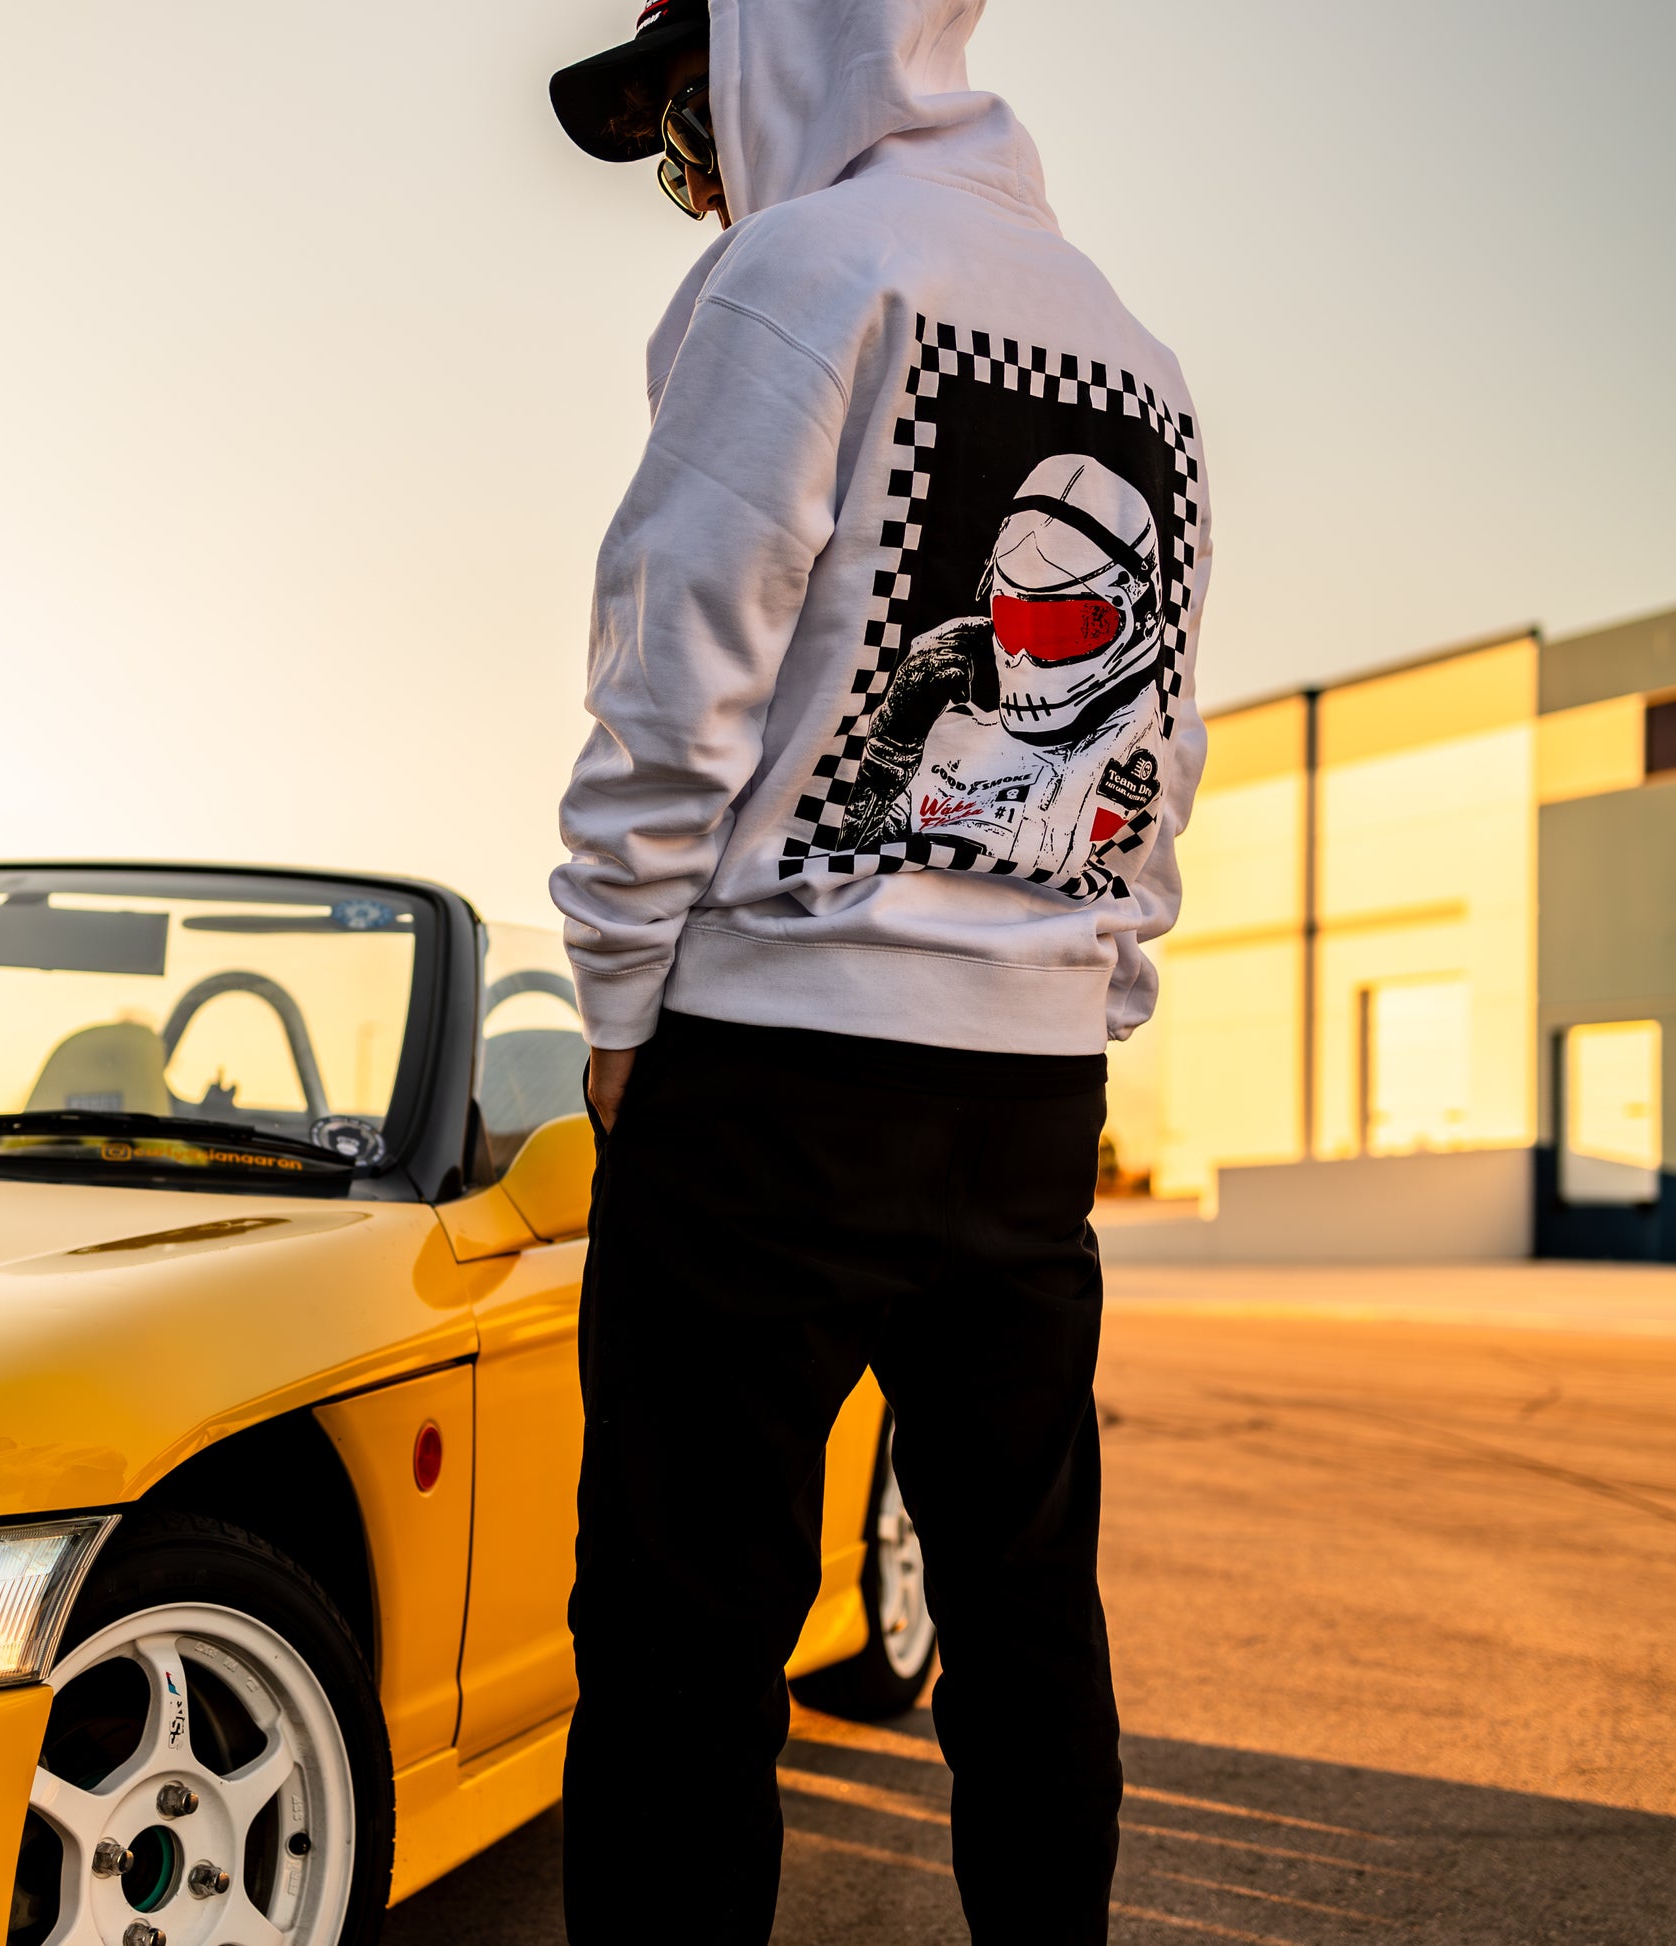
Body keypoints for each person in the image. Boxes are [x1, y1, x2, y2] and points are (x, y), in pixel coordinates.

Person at [547, 2, 1211, 1940]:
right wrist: (1086, 998)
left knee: (682, 1635)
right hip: (1027, 1094)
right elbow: (1159, 739)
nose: (694, 180)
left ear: (782, 46)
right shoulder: (1136, 349)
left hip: (770, 1068)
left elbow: (676, 671)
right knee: (1023, 1604)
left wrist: (616, 997)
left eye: (691, 120)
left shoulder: (799, 274)